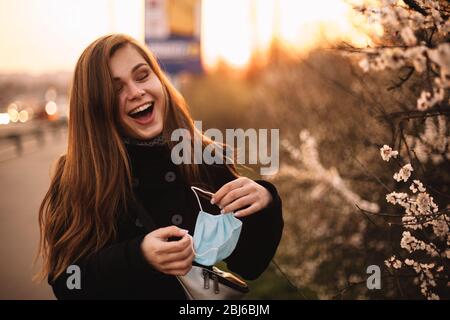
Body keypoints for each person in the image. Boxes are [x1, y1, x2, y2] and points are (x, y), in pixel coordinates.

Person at [36, 34, 283, 299]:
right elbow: (67, 283)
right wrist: (139, 256)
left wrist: (266, 200)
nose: (136, 92)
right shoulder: (77, 177)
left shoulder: (204, 157)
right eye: (116, 88)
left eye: (142, 76)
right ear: (95, 106)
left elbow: (251, 264)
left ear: (159, 80)